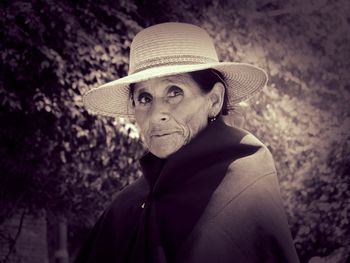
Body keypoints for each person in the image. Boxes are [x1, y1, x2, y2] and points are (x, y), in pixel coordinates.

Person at [76, 22, 300, 263]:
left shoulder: (245, 173)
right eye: (144, 98)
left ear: (214, 100)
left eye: (174, 92)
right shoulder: (125, 207)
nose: (156, 114)